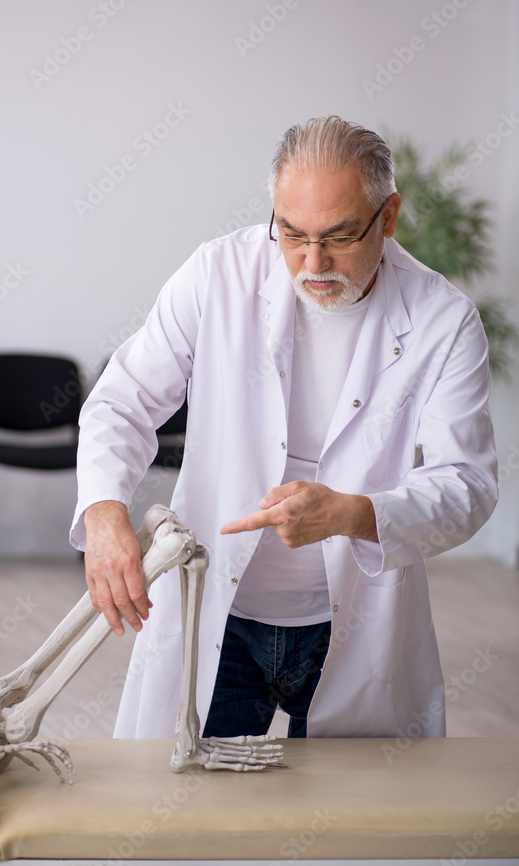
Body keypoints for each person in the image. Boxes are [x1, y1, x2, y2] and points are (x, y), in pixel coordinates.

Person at [70, 115, 498, 740]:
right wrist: (106, 516)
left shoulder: (443, 321)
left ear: (389, 216)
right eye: (291, 233)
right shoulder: (218, 274)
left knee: (343, 826)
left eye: (340, 236)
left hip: (349, 627)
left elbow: (466, 485)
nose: (313, 262)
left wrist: (353, 513)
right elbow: (121, 401)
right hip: (217, 612)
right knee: (186, 819)